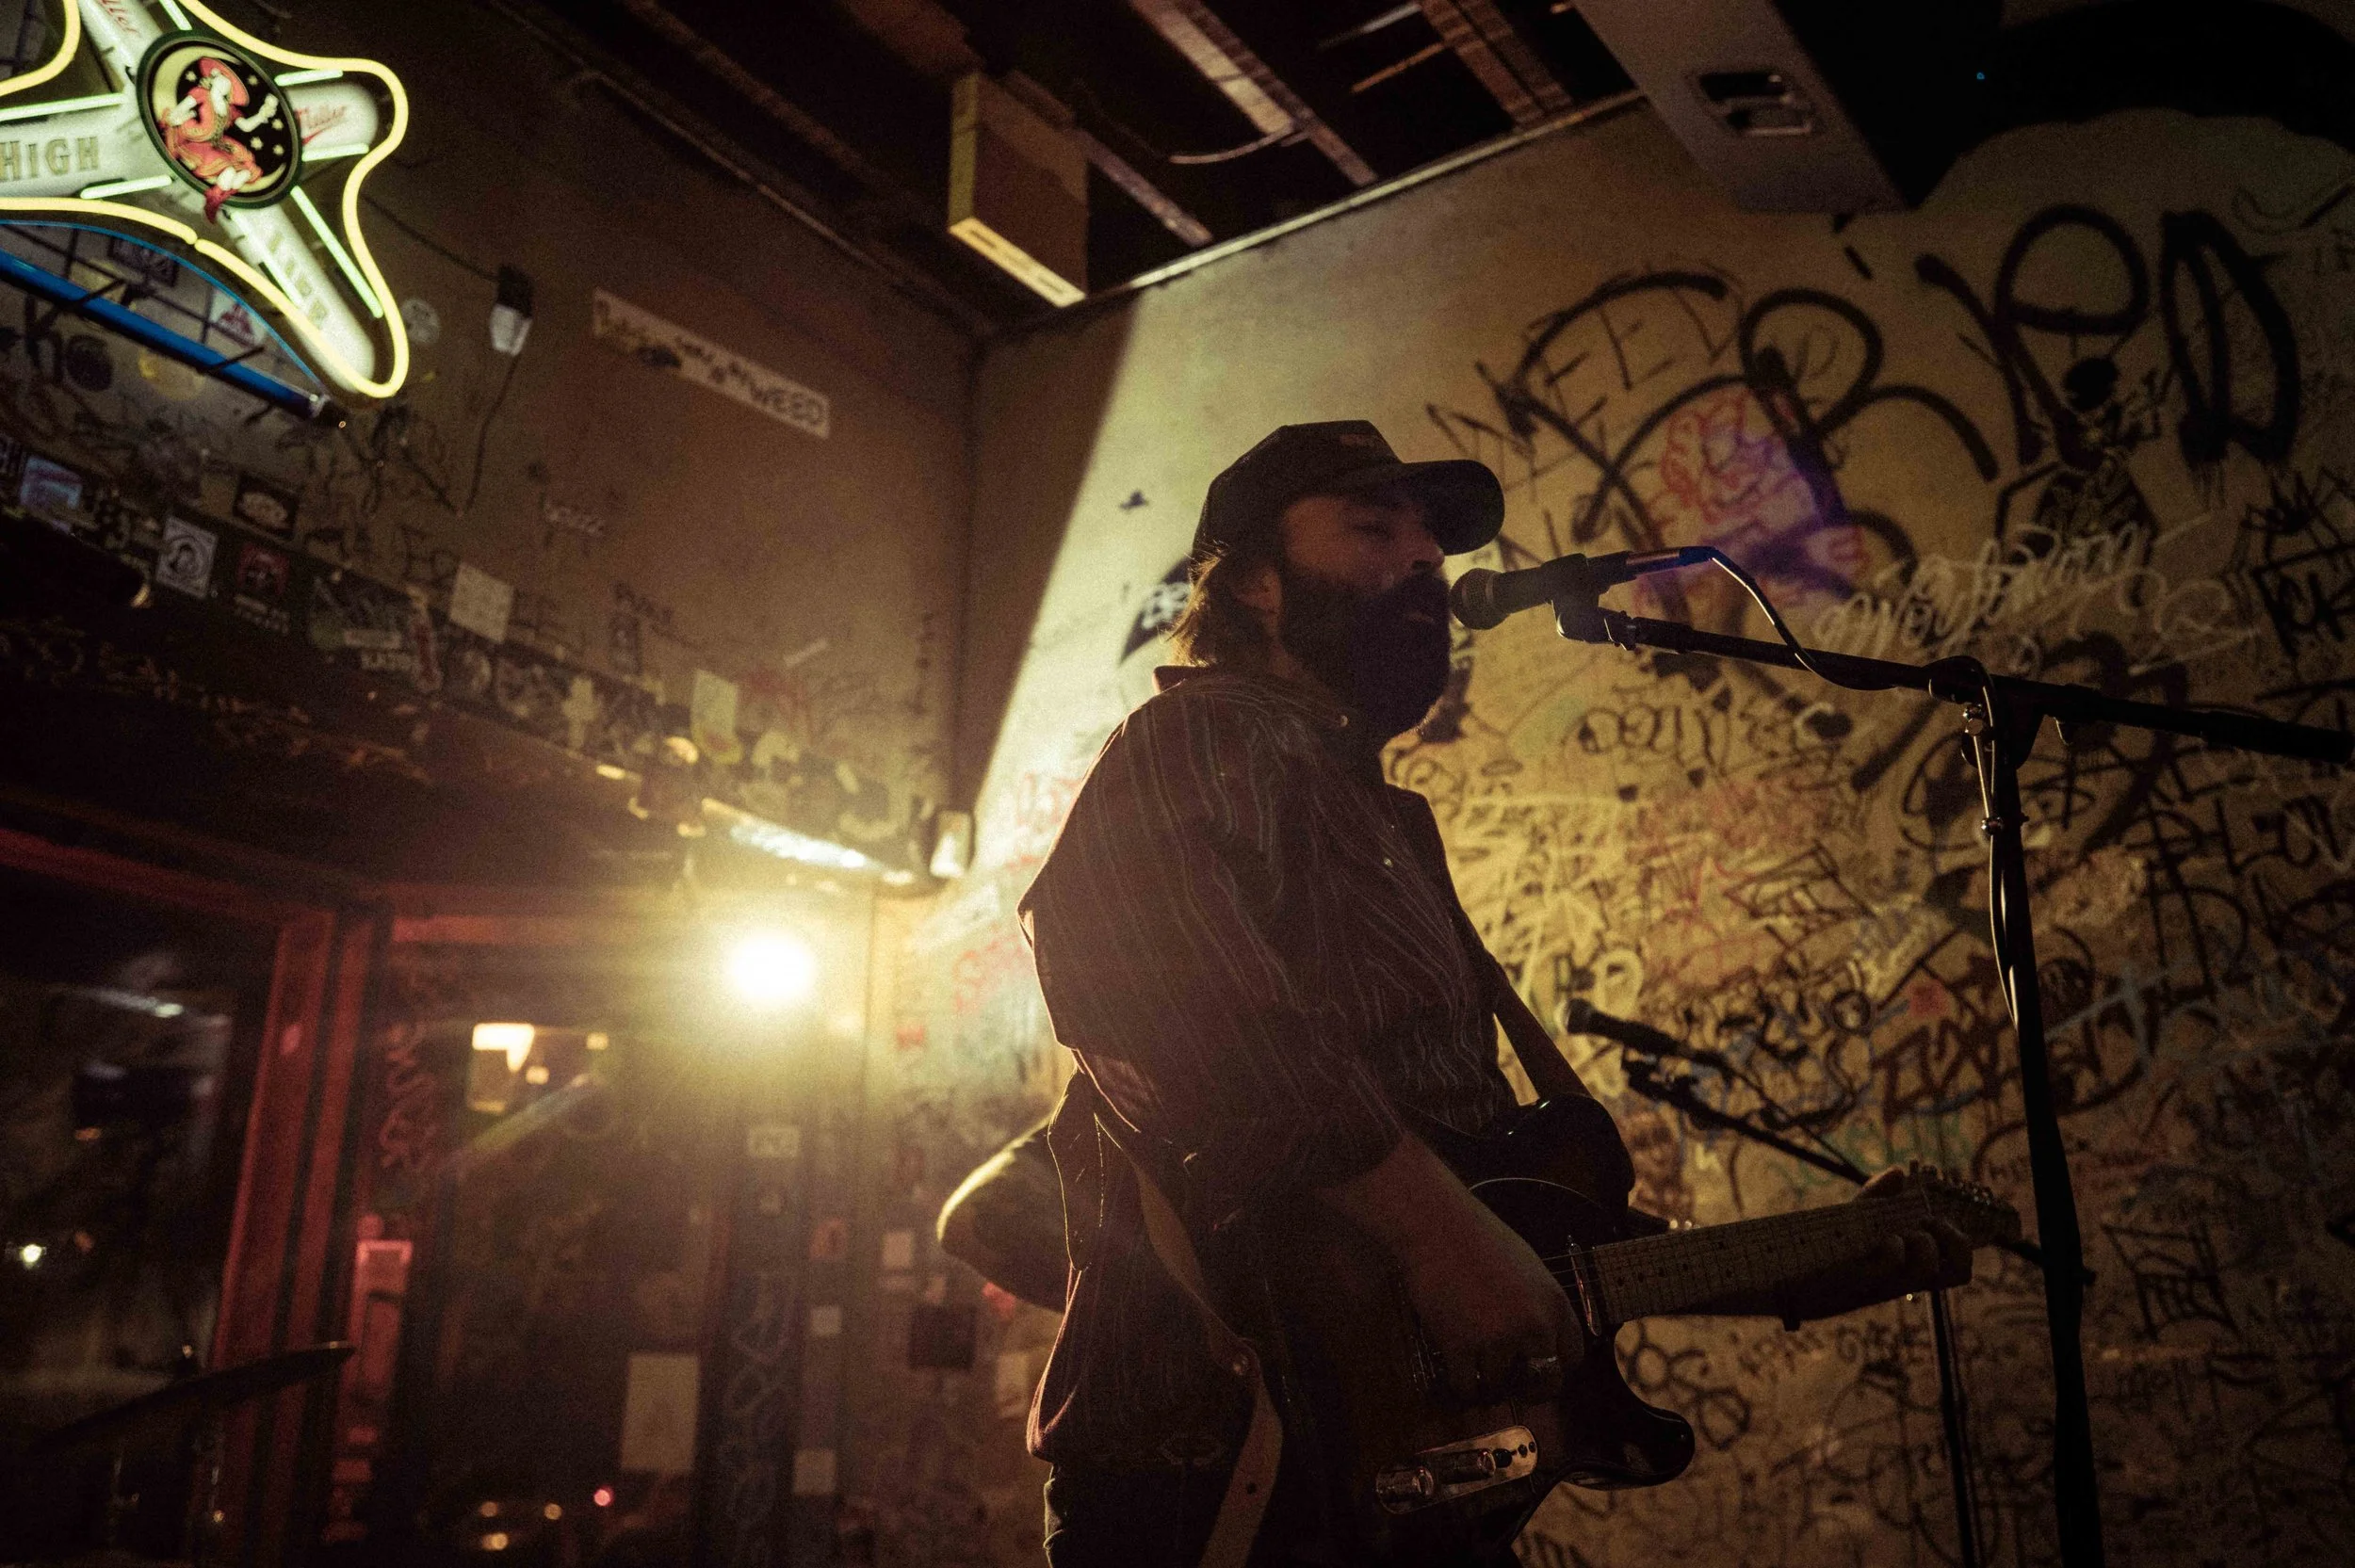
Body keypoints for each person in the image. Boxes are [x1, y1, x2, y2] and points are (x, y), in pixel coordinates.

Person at [1015, 422, 1971, 1567]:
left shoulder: (1381, 818)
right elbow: (1141, 975)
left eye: (1432, 537)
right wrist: (1439, 1238)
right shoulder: (1205, 734)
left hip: (1400, 1479)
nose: (1426, 558)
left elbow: (1505, 1218)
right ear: (1257, 586)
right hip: (1219, 1466)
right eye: (1375, 527)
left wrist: (1807, 1263)